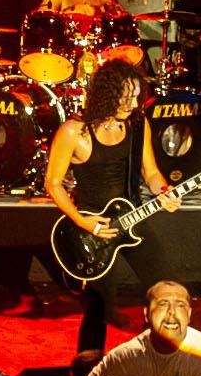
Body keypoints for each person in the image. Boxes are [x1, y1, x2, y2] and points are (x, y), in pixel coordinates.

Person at [42, 60, 178, 352]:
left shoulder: (138, 124)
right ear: (106, 94)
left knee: (166, 287)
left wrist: (165, 191)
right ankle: (87, 370)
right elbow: (53, 183)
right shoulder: (74, 132)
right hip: (94, 230)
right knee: (98, 306)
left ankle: (159, 356)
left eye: (136, 96)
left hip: (132, 218)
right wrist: (83, 221)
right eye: (126, 97)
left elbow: (151, 172)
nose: (133, 104)